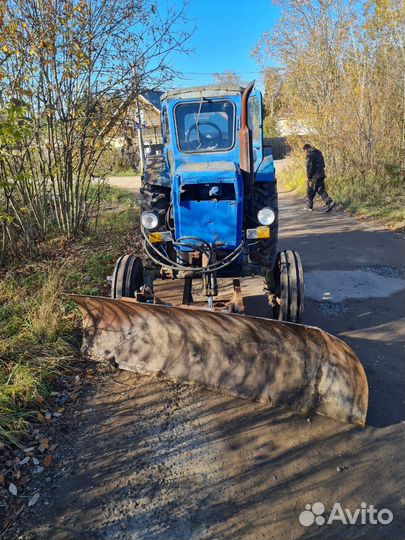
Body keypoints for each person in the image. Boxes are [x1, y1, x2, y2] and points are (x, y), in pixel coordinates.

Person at [303, 144, 335, 212]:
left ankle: (309, 207)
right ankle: (330, 202)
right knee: (320, 190)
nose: (305, 152)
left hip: (314, 176)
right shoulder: (319, 152)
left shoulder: (309, 155)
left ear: (306, 149)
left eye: (304, 151)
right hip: (321, 174)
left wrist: (308, 176)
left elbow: (309, 167)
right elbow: (323, 164)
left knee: (310, 191)